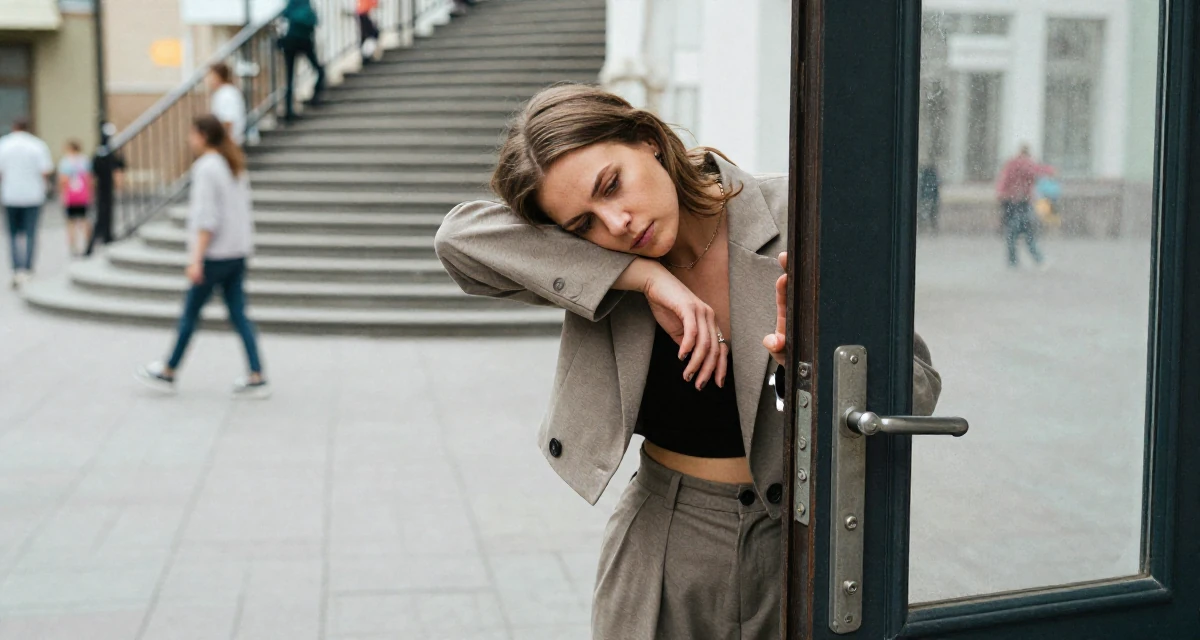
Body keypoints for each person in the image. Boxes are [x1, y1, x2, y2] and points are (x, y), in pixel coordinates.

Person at [435, 85, 942, 639]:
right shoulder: (604, 262)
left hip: (805, 536)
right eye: (584, 224)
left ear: (650, 141)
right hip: (664, 543)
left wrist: (820, 349)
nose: (617, 223)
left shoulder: (799, 213)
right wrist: (646, 277)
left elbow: (914, 393)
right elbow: (459, 239)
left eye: (612, 185)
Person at [135, 115, 269, 399]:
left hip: (215, 254)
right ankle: (256, 373)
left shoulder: (207, 168)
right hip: (236, 251)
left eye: (192, 133)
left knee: (190, 314)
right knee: (238, 314)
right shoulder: (233, 165)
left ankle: (169, 369)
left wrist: (196, 258)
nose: (189, 139)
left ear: (203, 135)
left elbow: (206, 218)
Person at [0, 120, 53, 288]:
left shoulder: (4, 144)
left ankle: (17, 269)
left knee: (13, 234)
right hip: (33, 195)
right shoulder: (37, 145)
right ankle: (28, 268)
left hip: (10, 195)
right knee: (30, 233)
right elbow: (45, 170)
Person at [996, 143, 1055, 268]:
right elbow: (1038, 171)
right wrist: (1050, 169)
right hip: (1020, 202)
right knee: (1027, 233)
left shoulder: (1011, 163)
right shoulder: (1024, 163)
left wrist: (1002, 195)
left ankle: (1013, 261)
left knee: (1013, 233)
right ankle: (1037, 259)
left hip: (1010, 202)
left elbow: (1003, 182)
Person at [279, 0, 325, 123]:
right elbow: (314, 20)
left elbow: (285, 14)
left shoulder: (293, 4)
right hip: (303, 40)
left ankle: (289, 111)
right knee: (319, 70)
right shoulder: (305, 5)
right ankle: (313, 98)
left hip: (292, 40)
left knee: (290, 78)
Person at [85, 128, 126, 257]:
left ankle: (105, 238)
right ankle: (95, 243)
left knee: (103, 215)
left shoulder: (100, 153)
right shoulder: (108, 153)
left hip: (102, 189)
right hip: (104, 189)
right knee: (102, 216)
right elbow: (119, 168)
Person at [58, 140, 93, 257]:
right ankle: (88, 244)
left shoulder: (66, 162)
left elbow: (63, 181)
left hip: (71, 197)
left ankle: (74, 247)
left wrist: (62, 195)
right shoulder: (84, 161)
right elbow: (89, 179)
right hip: (83, 196)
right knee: (84, 220)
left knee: (71, 222)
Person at [206, 63, 247, 146]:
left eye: (210, 76)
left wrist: (222, 144)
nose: (208, 80)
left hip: (229, 142)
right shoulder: (223, 92)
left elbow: (228, 121)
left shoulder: (227, 93)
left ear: (218, 76)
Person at [917, 163, 940, 234]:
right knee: (932, 215)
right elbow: (936, 187)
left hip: (925, 197)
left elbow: (922, 187)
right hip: (931, 198)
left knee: (924, 214)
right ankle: (932, 229)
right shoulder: (932, 176)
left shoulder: (925, 176)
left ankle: (922, 228)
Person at [355, 0, 380, 65]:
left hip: (363, 11)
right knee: (372, 34)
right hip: (364, 12)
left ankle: (366, 55)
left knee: (367, 35)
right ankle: (366, 55)